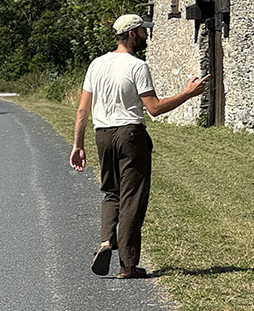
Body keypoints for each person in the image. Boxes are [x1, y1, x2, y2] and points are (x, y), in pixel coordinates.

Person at [70, 14, 208, 279]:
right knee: (132, 198)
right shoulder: (137, 66)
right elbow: (154, 108)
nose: (146, 36)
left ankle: (106, 242)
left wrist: (78, 144)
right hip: (130, 135)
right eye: (143, 31)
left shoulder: (96, 64)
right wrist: (188, 94)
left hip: (103, 135)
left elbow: (82, 110)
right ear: (132, 34)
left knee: (112, 192)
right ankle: (128, 265)